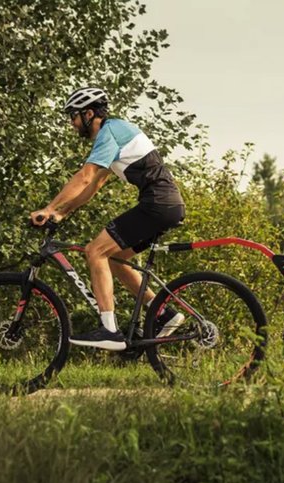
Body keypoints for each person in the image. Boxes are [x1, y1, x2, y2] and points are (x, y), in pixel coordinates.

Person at [31, 87, 185, 351]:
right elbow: (94, 186)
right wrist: (61, 212)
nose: (72, 123)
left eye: (74, 117)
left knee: (95, 251)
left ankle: (109, 331)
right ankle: (162, 313)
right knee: (114, 259)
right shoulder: (115, 133)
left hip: (157, 204)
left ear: (89, 114)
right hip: (165, 205)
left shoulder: (108, 132)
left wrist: (49, 207)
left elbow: (85, 177)